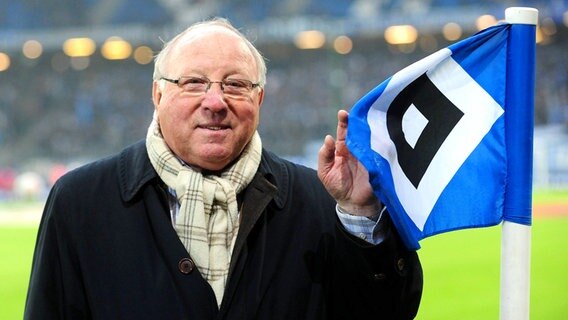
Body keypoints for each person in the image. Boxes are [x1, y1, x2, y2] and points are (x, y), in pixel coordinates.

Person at [25, 18, 422, 319]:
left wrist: (359, 218)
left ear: (260, 99)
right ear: (157, 94)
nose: (215, 102)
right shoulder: (80, 202)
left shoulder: (323, 204)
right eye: (194, 82)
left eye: (234, 85)